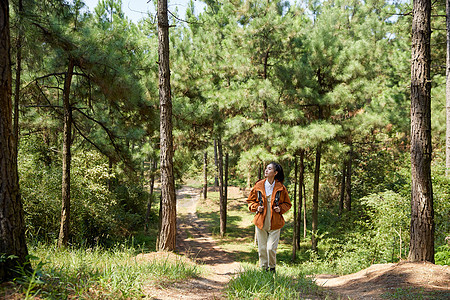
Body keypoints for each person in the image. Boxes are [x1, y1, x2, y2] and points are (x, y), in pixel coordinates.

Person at [247, 162, 292, 272]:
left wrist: (280, 209)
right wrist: (257, 207)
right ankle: (263, 270)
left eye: (269, 169)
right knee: (262, 248)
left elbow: (287, 204)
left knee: (271, 248)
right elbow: (250, 201)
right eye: (266, 168)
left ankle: (272, 268)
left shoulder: (281, 188)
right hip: (260, 221)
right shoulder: (258, 186)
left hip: (275, 222)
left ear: (275, 173)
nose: (266, 170)